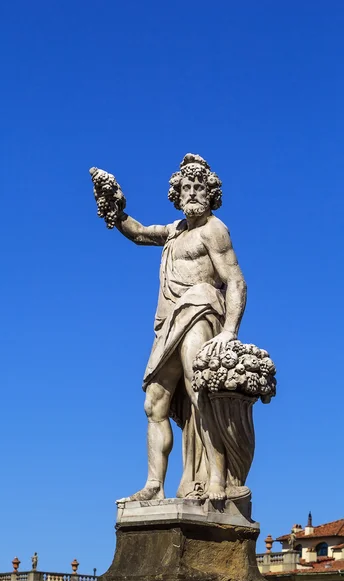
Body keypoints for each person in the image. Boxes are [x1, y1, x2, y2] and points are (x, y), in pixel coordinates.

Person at [95, 154, 246, 501]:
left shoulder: (214, 230)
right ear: (177, 194)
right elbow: (139, 233)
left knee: (199, 391)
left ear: (211, 193)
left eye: (199, 187)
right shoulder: (174, 233)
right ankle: (154, 485)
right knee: (154, 403)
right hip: (171, 319)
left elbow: (236, 281)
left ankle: (216, 479)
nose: (193, 193)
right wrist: (116, 211)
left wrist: (229, 332)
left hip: (201, 308)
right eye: (187, 187)